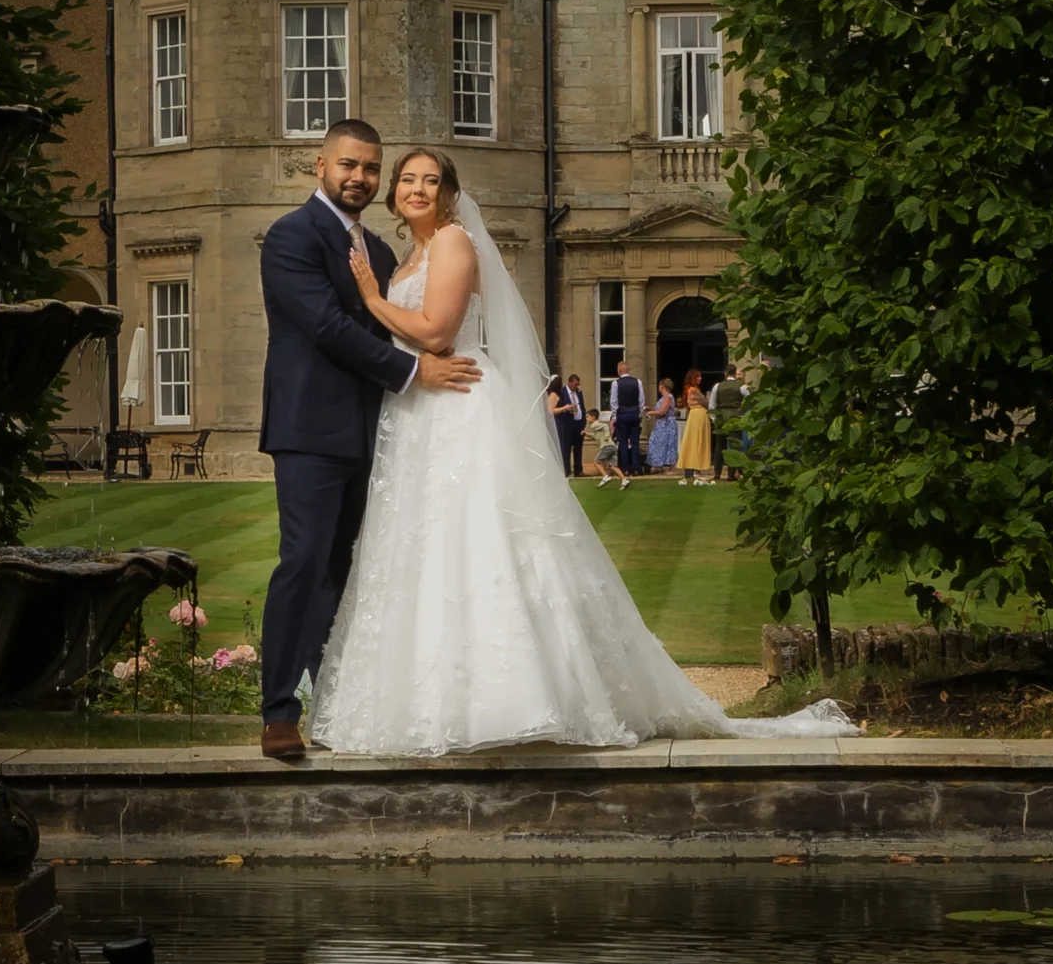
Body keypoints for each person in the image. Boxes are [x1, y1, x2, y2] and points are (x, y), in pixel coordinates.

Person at [308, 145, 855, 755]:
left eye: (431, 180)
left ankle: (514, 699)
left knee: (477, 540)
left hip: (458, 405)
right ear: (393, 192)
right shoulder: (409, 253)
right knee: (420, 548)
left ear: (450, 192)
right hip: (415, 411)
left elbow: (437, 332)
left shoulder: (454, 243)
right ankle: (427, 702)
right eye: (408, 179)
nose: (418, 189)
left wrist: (374, 300)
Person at [255, 120, 481, 762]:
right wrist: (416, 371)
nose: (359, 177)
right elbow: (327, 327)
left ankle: (335, 702)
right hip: (310, 430)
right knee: (303, 560)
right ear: (321, 164)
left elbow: (401, 321)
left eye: (370, 168)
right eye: (348, 165)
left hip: (381, 431)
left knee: (349, 572)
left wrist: (413, 372)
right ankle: (279, 713)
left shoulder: (383, 254)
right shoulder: (290, 237)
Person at [604, 360, 644, 487]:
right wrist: (640, 414)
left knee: (622, 442)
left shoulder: (616, 383)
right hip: (634, 414)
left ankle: (625, 468)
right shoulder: (637, 382)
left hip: (622, 414)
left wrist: (614, 416)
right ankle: (636, 468)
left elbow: (614, 401)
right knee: (635, 442)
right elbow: (641, 400)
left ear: (619, 371)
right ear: (628, 370)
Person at [708, 363, 749, 480]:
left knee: (719, 445)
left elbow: (712, 404)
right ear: (735, 373)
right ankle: (731, 474)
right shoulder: (741, 387)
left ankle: (717, 473)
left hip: (721, 416)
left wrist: (714, 418)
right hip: (735, 416)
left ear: (725, 373)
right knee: (734, 445)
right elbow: (749, 398)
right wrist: (741, 410)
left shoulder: (717, 386)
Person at [674, 368, 714, 486]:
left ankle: (694, 469)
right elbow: (706, 403)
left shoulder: (690, 390)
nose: (700, 378)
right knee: (698, 441)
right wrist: (707, 398)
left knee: (694, 441)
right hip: (698, 416)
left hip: (696, 416)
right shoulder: (694, 390)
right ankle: (697, 468)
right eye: (698, 376)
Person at [545, 376, 578, 475]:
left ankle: (565, 470)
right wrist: (564, 408)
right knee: (560, 445)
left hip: (564, 423)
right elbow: (550, 411)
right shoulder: (553, 395)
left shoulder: (560, 394)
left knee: (565, 446)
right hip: (558, 423)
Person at [646, 376, 680, 472]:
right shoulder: (664, 398)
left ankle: (671, 467)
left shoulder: (668, 397)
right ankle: (657, 465)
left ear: (662, 386)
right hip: (661, 424)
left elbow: (662, 412)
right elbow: (659, 410)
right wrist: (650, 409)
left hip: (667, 424)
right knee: (656, 443)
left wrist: (650, 413)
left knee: (668, 444)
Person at [563, 375, 589, 476]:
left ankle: (578, 470)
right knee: (567, 448)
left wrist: (583, 422)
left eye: (578, 384)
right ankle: (567, 470)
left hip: (579, 423)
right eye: (575, 384)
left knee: (578, 448)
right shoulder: (563, 392)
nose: (576, 386)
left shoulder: (579, 392)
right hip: (568, 424)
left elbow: (582, 406)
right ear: (569, 383)